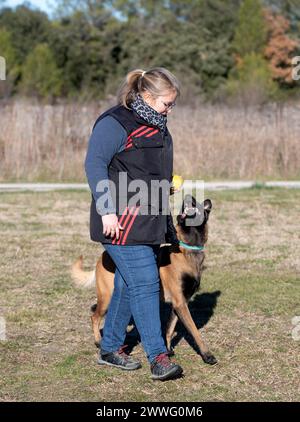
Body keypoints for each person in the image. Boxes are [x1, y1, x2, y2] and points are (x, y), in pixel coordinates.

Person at [84, 67, 182, 381]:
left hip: (148, 219)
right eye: (166, 103)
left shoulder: (157, 123)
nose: (170, 109)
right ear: (147, 95)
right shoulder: (115, 122)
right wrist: (106, 209)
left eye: (172, 104)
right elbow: (95, 164)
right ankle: (159, 357)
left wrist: (163, 186)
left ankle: (110, 347)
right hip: (118, 221)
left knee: (128, 285)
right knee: (145, 284)